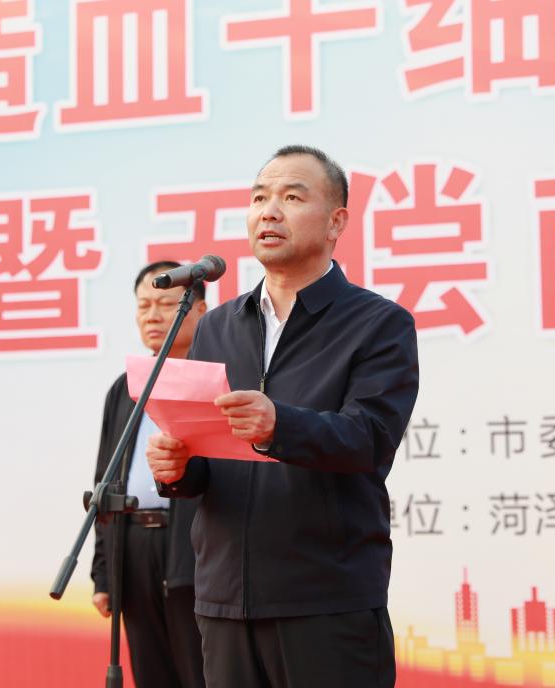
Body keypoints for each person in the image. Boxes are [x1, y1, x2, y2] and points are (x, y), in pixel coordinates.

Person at [145, 145, 419, 688]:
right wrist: (177, 469)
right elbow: (208, 457)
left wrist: (279, 425)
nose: (269, 211)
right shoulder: (217, 326)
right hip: (224, 599)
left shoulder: (378, 323)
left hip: (325, 600)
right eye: (259, 198)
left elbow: (369, 439)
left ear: (337, 221)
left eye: (292, 198)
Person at [90, 261, 207, 688]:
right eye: (143, 306)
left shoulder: (214, 378)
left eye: (165, 304)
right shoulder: (125, 387)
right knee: (151, 672)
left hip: (194, 547)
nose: (153, 315)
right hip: (134, 545)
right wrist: (104, 572)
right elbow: (104, 483)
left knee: (201, 671)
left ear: (200, 310)